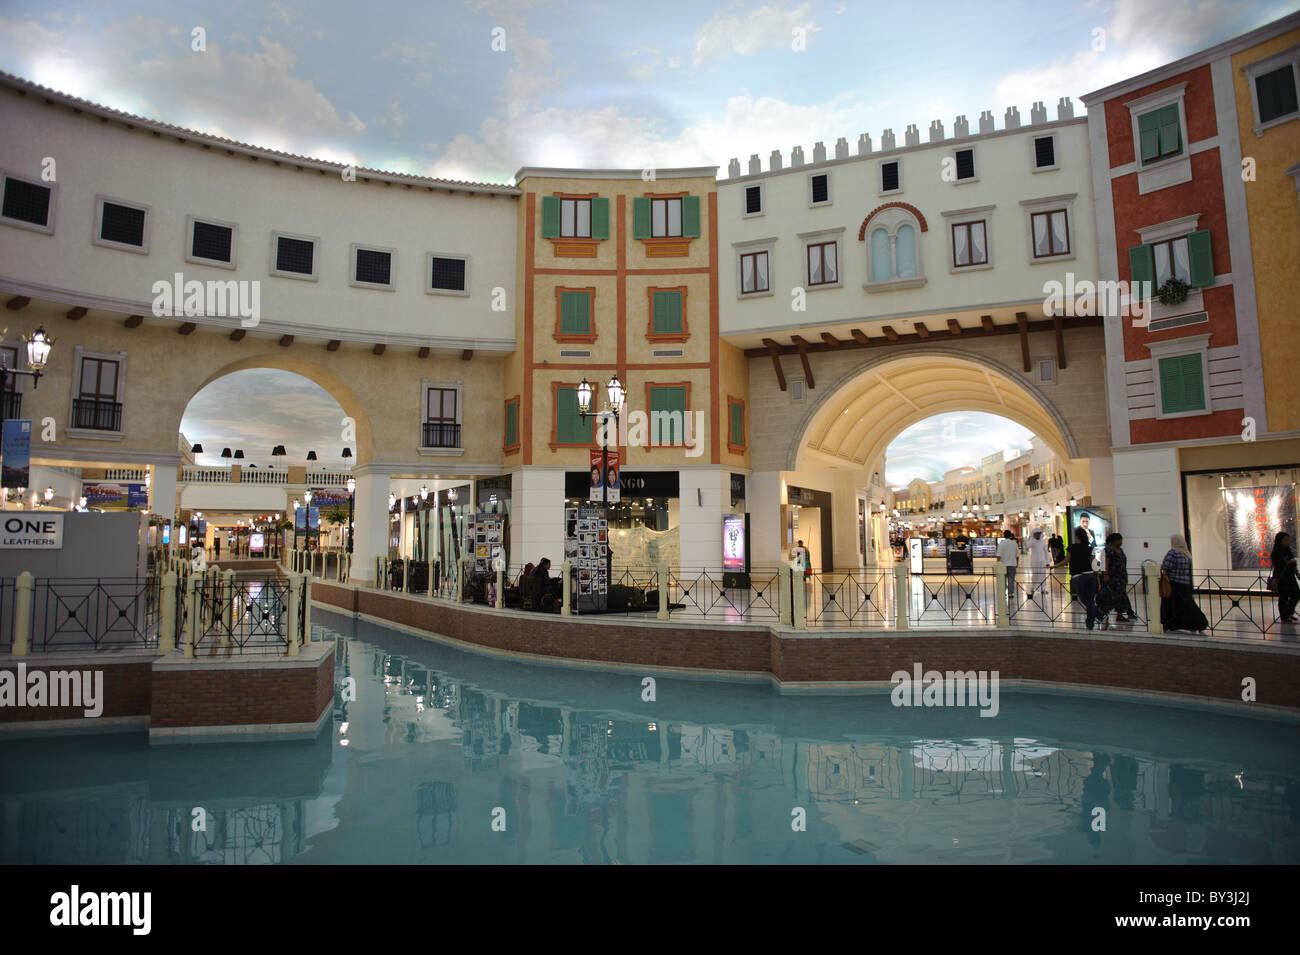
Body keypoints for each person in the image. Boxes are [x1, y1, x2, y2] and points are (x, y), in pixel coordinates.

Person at [1159, 534, 1208, 633]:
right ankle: (1198, 624)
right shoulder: (1186, 553)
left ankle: (1169, 624)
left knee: (1171, 606)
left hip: (1173, 584)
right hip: (1185, 584)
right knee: (1187, 605)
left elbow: (1165, 566)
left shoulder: (1173, 552)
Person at [1097, 532, 1135, 629]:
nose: (1121, 542)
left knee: (1121, 596)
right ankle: (1104, 615)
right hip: (1112, 577)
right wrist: (1105, 575)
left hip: (1120, 577)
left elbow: (1123, 563)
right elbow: (1106, 562)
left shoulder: (1120, 550)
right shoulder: (1108, 550)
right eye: (1119, 540)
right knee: (1110, 596)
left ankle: (1120, 614)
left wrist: (1125, 574)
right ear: (1114, 541)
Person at [1067, 526, 1102, 630]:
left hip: (1078, 577)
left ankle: (1093, 620)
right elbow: (1094, 563)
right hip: (1090, 575)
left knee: (1085, 600)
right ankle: (1094, 619)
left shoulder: (1072, 547)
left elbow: (1067, 560)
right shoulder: (1089, 548)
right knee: (1090, 600)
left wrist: (1054, 566)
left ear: (1077, 536)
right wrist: (1099, 577)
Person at [1269, 532, 1298, 624]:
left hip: (1290, 576)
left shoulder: (1288, 550)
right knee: (1283, 597)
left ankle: (1289, 613)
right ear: (1279, 541)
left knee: (1296, 594)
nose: (1287, 542)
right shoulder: (1276, 551)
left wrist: (1296, 573)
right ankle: (1284, 616)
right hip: (1281, 577)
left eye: (1288, 540)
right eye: (1285, 540)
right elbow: (1278, 563)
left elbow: (1292, 563)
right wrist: (1288, 562)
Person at [996, 530, 1019, 603]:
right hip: (1012, 564)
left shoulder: (1001, 544)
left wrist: (998, 564)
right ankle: (1010, 593)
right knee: (1011, 579)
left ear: (1004, 535)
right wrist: (1016, 564)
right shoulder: (1014, 543)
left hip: (1003, 565)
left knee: (1002, 579)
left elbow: (999, 555)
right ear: (1010, 535)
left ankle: (1003, 593)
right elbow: (1017, 555)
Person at [1026, 528, 1051, 598]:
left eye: (1039, 534)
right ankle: (1033, 587)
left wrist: (1047, 562)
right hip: (1034, 560)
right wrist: (1032, 538)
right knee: (1035, 574)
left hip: (1042, 561)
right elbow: (1027, 546)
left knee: (1043, 575)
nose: (1038, 535)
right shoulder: (1032, 541)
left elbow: (1046, 553)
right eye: (1036, 534)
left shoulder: (1042, 542)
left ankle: (1043, 589)